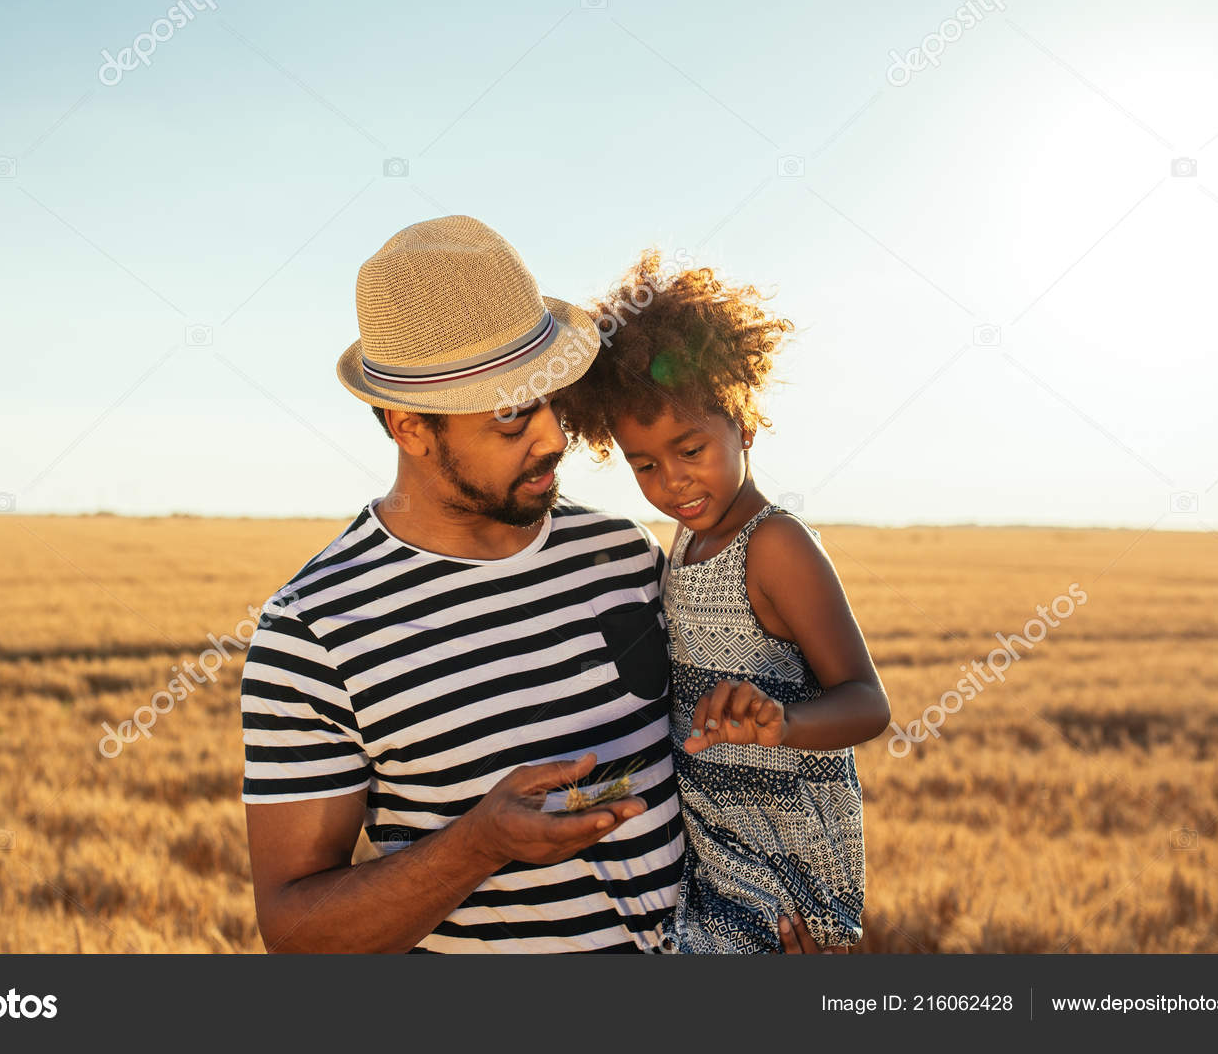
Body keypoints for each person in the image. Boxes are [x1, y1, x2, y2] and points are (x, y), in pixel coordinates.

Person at [238, 215, 833, 954]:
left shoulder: (623, 554)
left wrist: (785, 914)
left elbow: (755, 747)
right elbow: (296, 932)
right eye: (513, 416)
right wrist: (478, 845)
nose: (554, 437)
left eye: (551, 397)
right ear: (409, 426)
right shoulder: (314, 632)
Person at [554, 248, 892, 954]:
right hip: (717, 844)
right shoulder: (683, 541)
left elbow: (866, 701)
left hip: (784, 860)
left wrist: (782, 722)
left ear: (744, 422)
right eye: (644, 464)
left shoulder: (775, 546)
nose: (673, 481)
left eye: (691, 448)